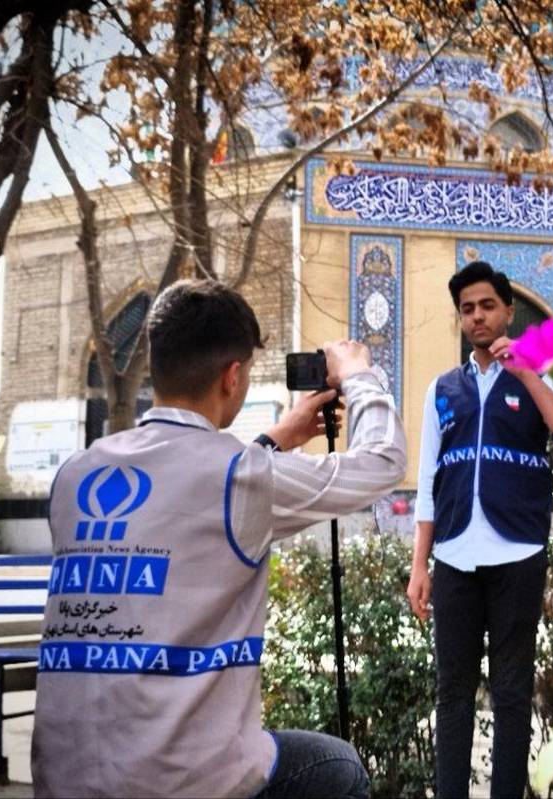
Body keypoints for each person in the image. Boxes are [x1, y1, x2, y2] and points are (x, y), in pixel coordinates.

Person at [31, 279, 407, 798]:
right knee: (337, 766)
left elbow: (185, 505)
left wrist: (275, 440)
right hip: (178, 783)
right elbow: (383, 462)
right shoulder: (238, 476)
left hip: (63, 779)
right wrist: (359, 375)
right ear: (233, 376)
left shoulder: (74, 474)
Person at [406, 262, 553, 798]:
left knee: (512, 694)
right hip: (454, 556)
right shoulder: (442, 390)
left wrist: (529, 375)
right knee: (452, 693)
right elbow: (427, 482)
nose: (477, 317)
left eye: (487, 306)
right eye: (467, 309)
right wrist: (420, 565)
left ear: (509, 312)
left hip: (518, 553)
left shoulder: (538, 379)